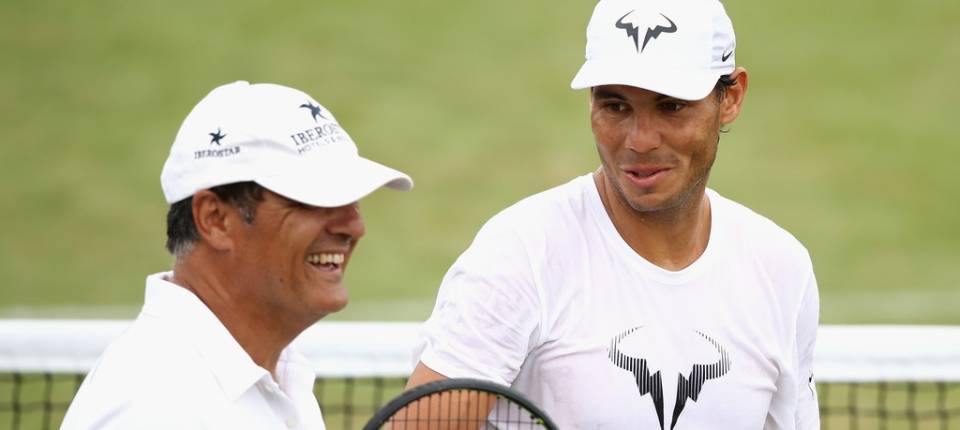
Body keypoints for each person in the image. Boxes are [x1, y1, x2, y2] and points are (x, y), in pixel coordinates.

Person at [406, 0, 819, 428]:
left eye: (671, 106)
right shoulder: (520, 255)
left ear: (730, 97)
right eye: (616, 106)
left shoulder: (781, 268)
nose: (640, 140)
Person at [61, 81, 413, 429]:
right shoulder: (155, 409)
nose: (353, 226)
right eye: (314, 201)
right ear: (216, 220)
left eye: (351, 200)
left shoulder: (276, 376)